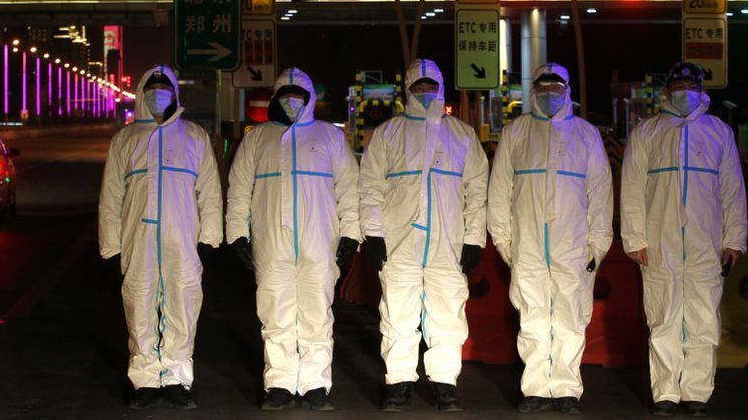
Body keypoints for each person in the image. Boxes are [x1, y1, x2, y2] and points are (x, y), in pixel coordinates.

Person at [226, 67, 361, 412]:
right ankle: (280, 384)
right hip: (272, 243)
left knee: (317, 314)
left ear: (309, 98)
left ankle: (316, 384)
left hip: (320, 242)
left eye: (297, 94)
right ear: (275, 97)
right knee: (276, 313)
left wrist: (350, 234)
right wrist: (237, 233)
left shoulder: (329, 137)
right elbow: (239, 189)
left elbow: (349, 190)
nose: (291, 101)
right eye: (284, 94)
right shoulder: (258, 139)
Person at [359, 58, 489, 412]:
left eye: (431, 86)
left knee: (447, 313)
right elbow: (369, 187)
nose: (426, 93)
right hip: (399, 242)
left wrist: (474, 238)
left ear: (442, 87)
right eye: (419, 87)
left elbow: (478, 192)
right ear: (408, 91)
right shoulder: (389, 133)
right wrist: (373, 234)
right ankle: (398, 382)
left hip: (448, 243)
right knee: (398, 313)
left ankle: (444, 384)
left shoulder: (462, 135)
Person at [620, 62, 748, 417]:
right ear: (666, 90)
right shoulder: (647, 133)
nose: (683, 90)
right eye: (677, 84)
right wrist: (634, 239)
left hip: (706, 243)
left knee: (703, 319)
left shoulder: (718, 132)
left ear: (701, 88)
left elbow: (733, 190)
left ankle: (696, 393)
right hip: (659, 243)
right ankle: (665, 393)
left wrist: (734, 239)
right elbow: (631, 189)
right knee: (663, 318)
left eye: (690, 84)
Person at [487, 63, 613, 414]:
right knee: (532, 317)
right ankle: (536, 389)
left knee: (571, 317)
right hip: (526, 243)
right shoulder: (517, 133)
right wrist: (503, 238)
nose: (550, 94)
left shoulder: (585, 134)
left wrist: (597, 242)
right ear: (533, 90)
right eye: (543, 87)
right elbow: (499, 190)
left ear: (568, 89)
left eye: (557, 87)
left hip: (572, 244)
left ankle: (567, 390)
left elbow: (600, 191)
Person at [98, 64, 223, 410]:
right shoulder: (125, 139)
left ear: (174, 93)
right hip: (137, 239)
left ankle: (177, 379)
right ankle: (145, 380)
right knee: (139, 306)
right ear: (141, 93)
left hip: (182, 240)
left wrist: (210, 238)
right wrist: (110, 247)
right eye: (151, 88)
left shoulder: (194, 137)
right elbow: (110, 198)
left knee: (182, 307)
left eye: (163, 87)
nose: (157, 94)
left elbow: (210, 192)